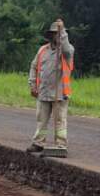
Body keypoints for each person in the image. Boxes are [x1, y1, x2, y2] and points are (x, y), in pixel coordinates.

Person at [28, 18, 74, 155]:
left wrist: (63, 31)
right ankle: (38, 143)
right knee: (41, 120)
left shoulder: (67, 50)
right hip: (43, 92)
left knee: (60, 121)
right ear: (50, 35)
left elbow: (66, 50)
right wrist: (32, 84)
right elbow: (34, 66)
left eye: (58, 33)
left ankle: (60, 145)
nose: (56, 36)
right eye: (55, 34)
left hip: (60, 93)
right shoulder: (42, 50)